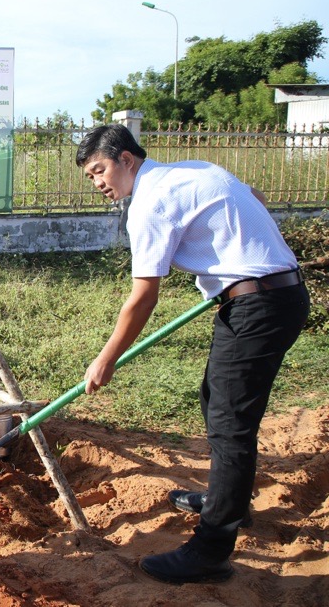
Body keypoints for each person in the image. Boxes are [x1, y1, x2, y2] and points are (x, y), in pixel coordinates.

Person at [76, 123, 309, 584]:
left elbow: (143, 296)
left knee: (230, 425)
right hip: (272, 295)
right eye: (90, 177)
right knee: (215, 402)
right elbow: (254, 196)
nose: (98, 182)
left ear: (127, 159)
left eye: (100, 170)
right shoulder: (194, 170)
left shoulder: (148, 203)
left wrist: (105, 358)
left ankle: (211, 551)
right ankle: (229, 500)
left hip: (256, 305)